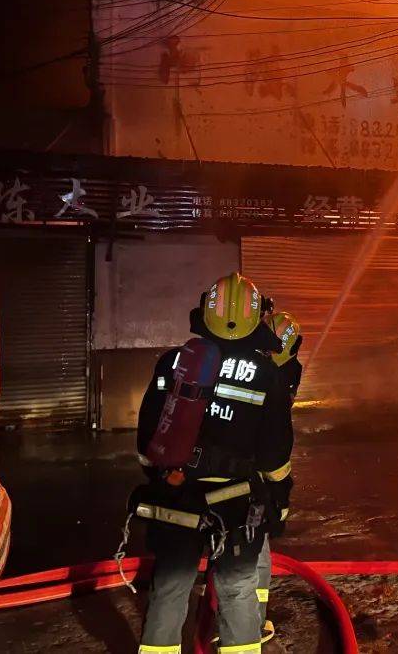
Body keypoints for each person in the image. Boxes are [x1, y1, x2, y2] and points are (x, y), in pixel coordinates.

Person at [135, 272, 293, 654]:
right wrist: (280, 501)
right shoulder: (266, 375)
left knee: (170, 586)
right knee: (237, 590)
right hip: (237, 503)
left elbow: (147, 440)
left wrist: (164, 478)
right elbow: (275, 456)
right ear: (257, 317)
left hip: (177, 495)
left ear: (205, 312)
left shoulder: (173, 362)